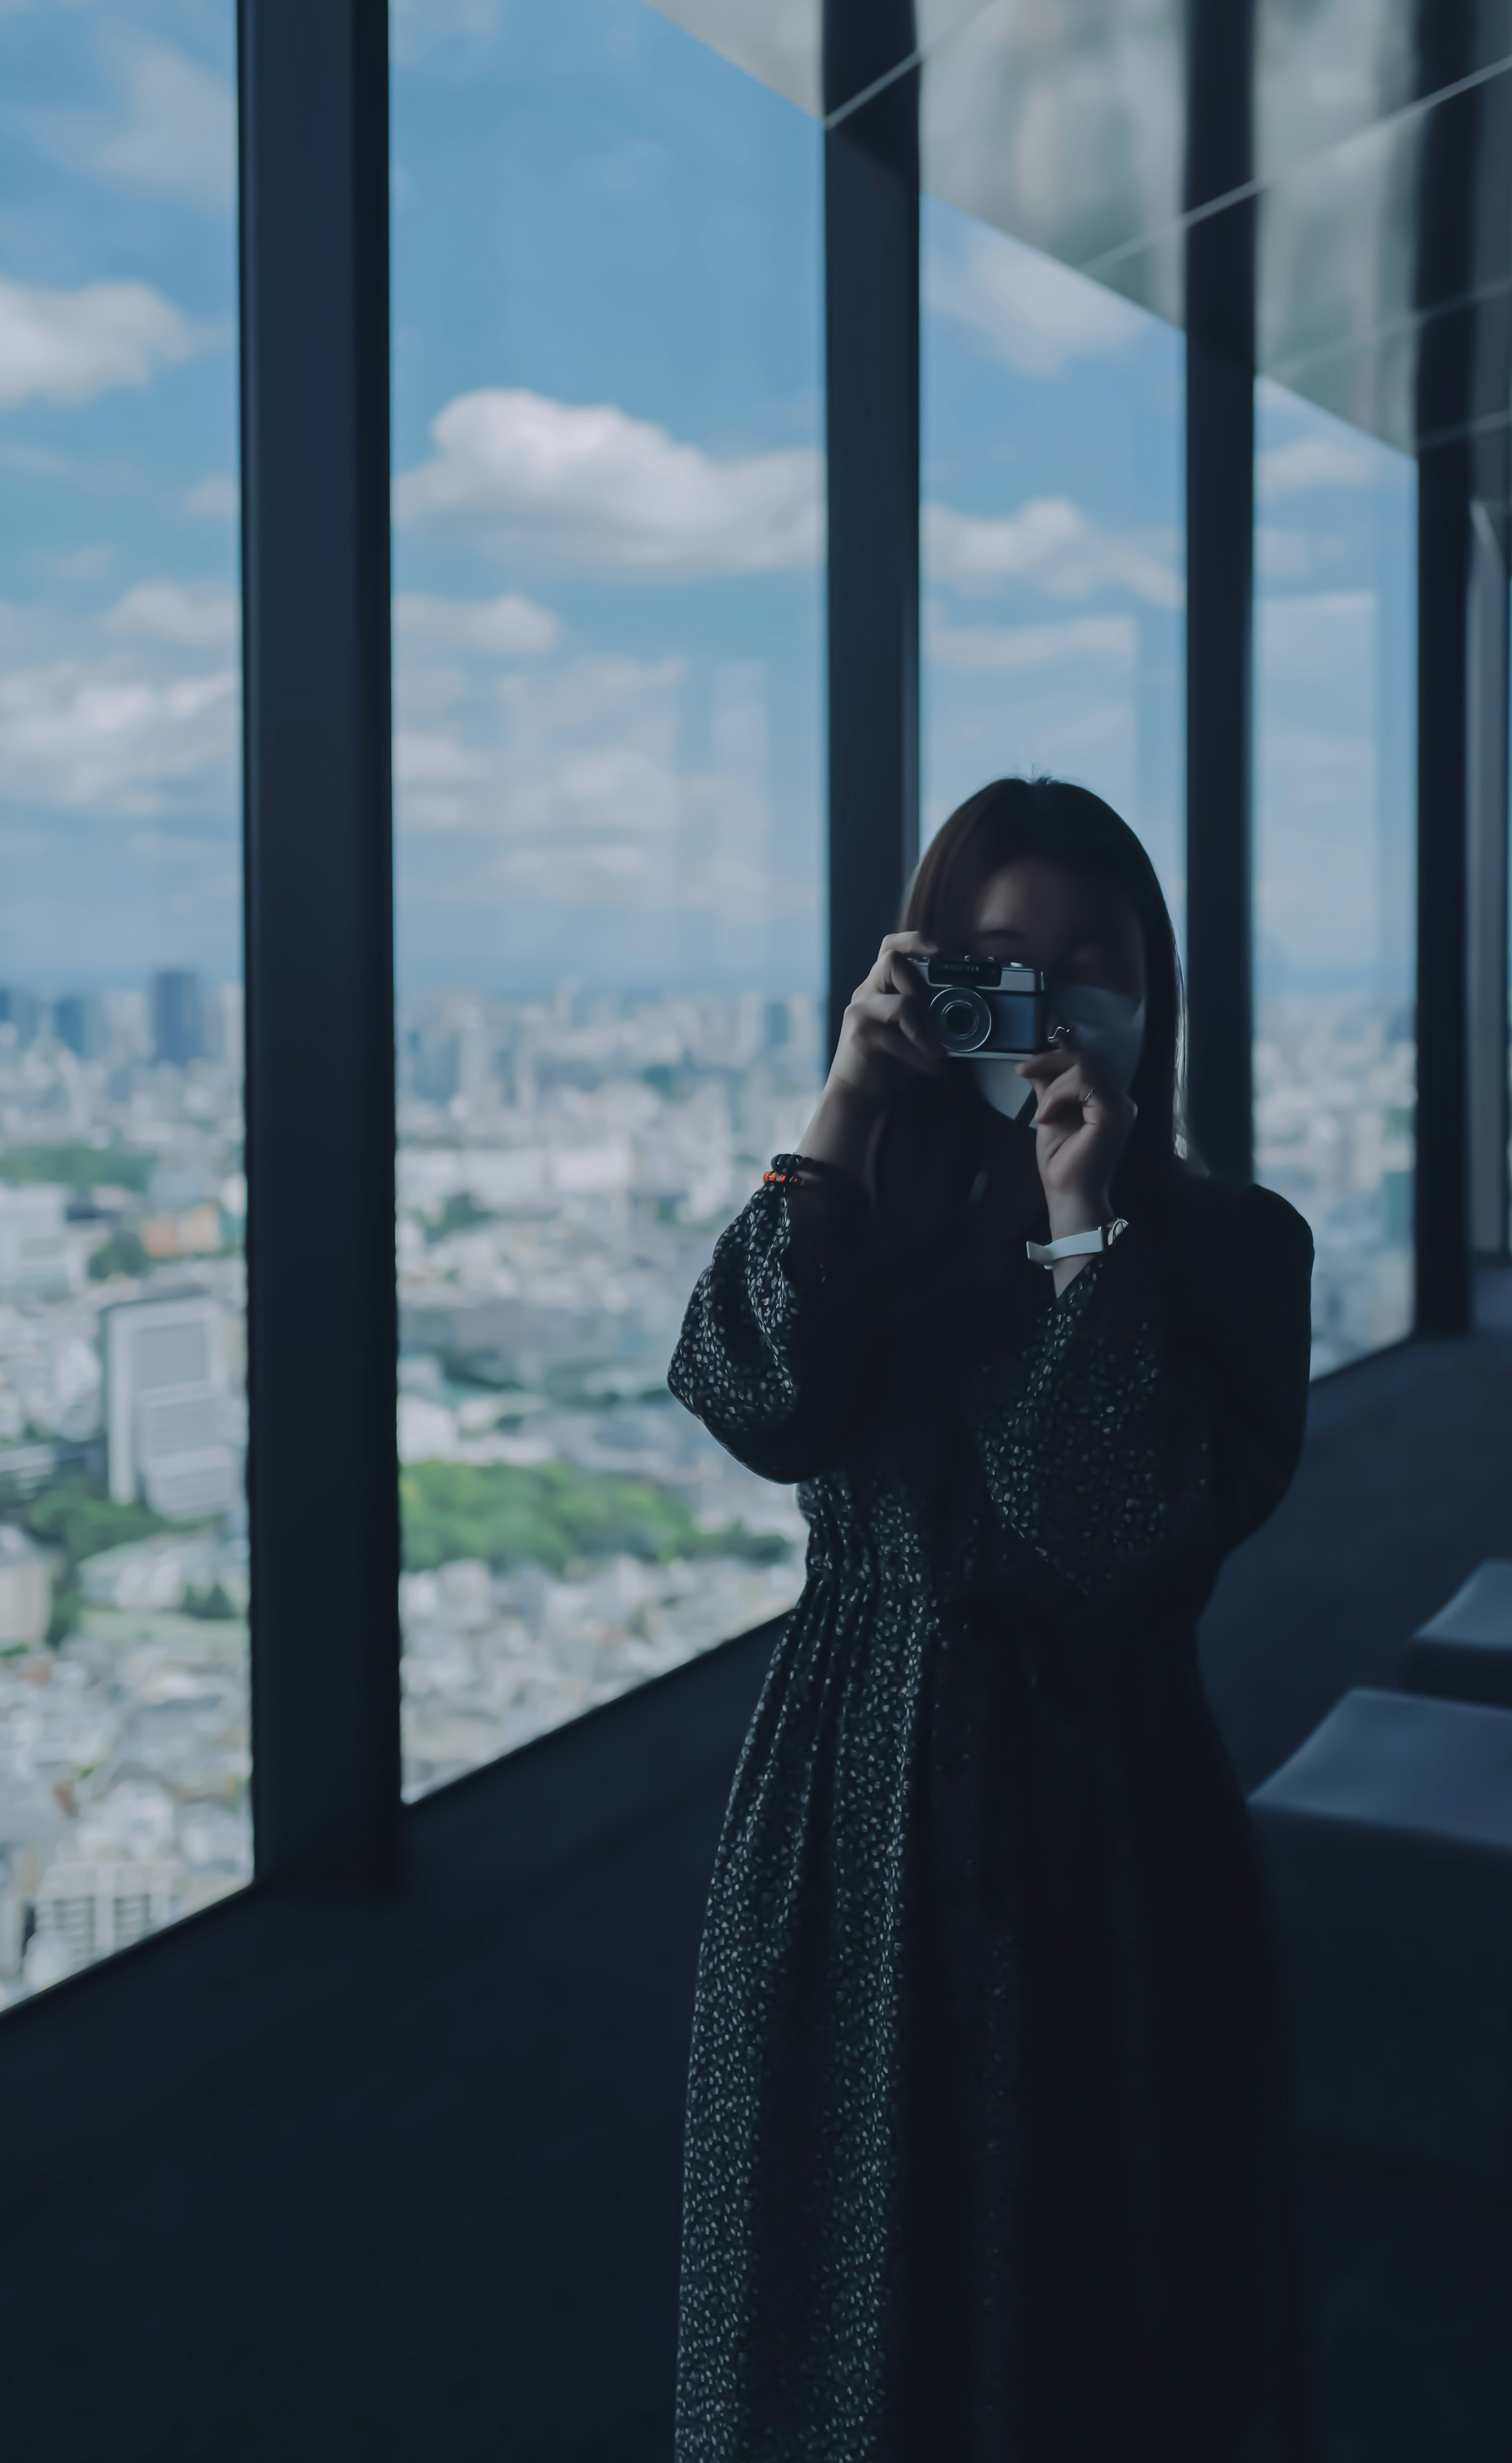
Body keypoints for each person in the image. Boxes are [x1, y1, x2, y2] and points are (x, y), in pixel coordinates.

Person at [667, 775, 1319, 2463]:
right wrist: (840, 1104)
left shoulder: (1234, 1251)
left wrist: (1085, 1236)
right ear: (931, 976)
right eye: (1003, 960)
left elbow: (1120, 1527)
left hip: (1105, 1820)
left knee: (1106, 2302)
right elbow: (747, 1395)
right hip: (846, 1817)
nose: (1052, 999)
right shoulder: (863, 1221)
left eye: (1099, 961)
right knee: (831, 2299)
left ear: (1157, 994)